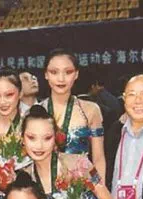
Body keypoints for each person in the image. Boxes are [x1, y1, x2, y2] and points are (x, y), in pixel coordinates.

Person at [41, 49, 106, 179]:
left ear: (76, 74)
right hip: (45, 187)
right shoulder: (35, 111)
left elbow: (98, 158)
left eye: (68, 72)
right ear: (46, 74)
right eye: (54, 72)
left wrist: (100, 187)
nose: (61, 79)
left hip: (81, 186)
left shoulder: (90, 110)